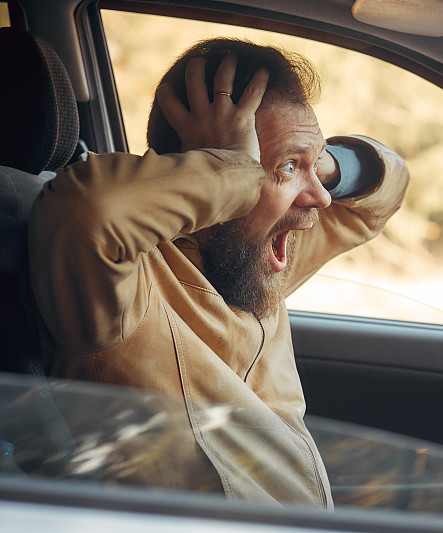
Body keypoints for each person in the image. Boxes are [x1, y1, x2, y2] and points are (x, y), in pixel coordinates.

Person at [26, 38, 409, 506]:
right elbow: (87, 212)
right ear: (207, 168)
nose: (321, 198)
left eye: (316, 171)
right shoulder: (123, 289)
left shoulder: (257, 257)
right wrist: (233, 163)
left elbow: (384, 193)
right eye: (287, 168)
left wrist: (308, 161)